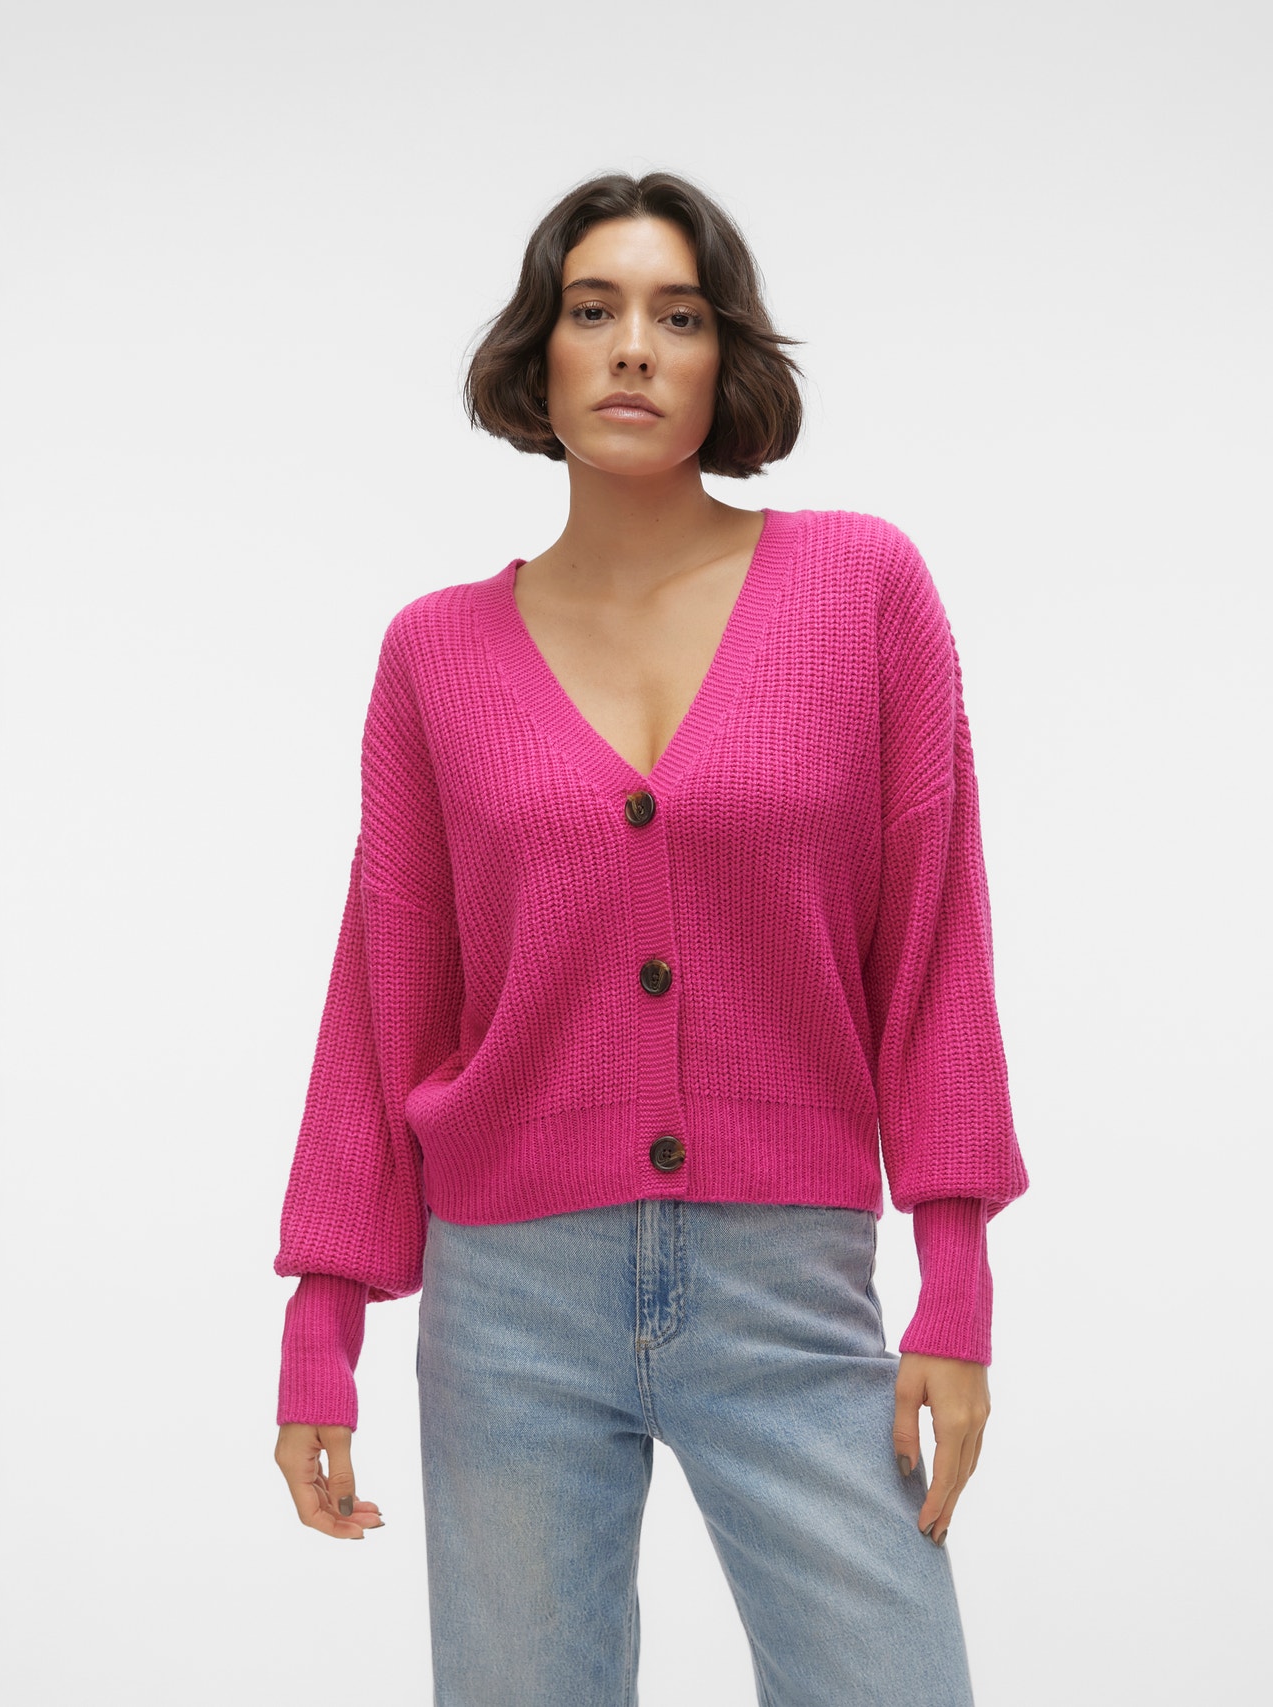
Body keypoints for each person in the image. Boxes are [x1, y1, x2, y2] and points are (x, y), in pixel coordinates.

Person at [272, 169, 1029, 1706]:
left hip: (787, 1280)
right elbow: (385, 988)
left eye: (678, 317)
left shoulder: (863, 590)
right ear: (539, 354)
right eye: (593, 310)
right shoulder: (434, 655)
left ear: (724, 357)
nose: (632, 346)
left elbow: (936, 944)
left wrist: (955, 1279)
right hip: (510, 1302)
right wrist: (322, 1317)